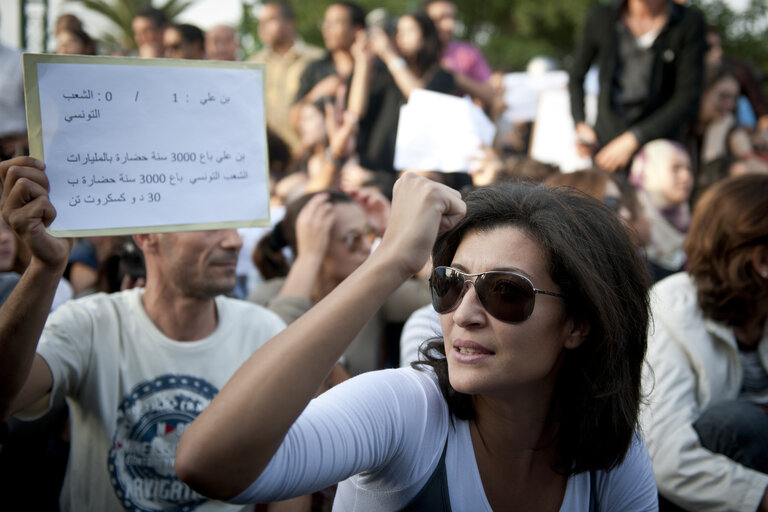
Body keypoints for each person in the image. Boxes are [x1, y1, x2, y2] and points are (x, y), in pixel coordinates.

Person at [176, 173, 657, 510]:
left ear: (579, 324)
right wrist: (391, 260)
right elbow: (208, 464)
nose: (463, 314)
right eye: (450, 283)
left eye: (505, 293)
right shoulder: (405, 410)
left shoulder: (611, 455)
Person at [0, 156, 286, 511]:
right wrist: (45, 269)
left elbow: (290, 474)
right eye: (210, 224)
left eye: (235, 224)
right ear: (147, 235)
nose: (234, 241)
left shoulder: (266, 333)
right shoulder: (90, 324)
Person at [640, 174, 768, 512]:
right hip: (696, 493)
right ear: (762, 261)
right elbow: (667, 457)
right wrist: (761, 495)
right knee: (737, 422)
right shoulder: (670, 307)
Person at [250, 188, 429, 375]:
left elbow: (437, 295)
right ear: (313, 243)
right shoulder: (267, 297)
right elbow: (275, 356)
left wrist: (392, 228)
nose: (368, 246)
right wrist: (309, 258)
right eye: (352, 239)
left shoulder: (370, 292)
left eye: (369, 234)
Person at [569, 0, 706, 173]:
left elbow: (688, 97)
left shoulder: (688, 22)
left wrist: (635, 138)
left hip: (660, 145)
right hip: (607, 145)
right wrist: (581, 126)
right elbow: (576, 76)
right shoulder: (601, 18)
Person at [249, 2, 324, 154]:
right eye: (260, 22)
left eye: (269, 20)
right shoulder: (252, 65)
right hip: (267, 158)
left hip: (310, 156)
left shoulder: (316, 59)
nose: (262, 27)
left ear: (290, 23)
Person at [629, 139, 693, 282]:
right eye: (676, 168)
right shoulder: (634, 224)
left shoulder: (691, 218)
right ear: (651, 171)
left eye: (689, 168)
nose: (686, 177)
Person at [422, 0, 496, 109]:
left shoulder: (467, 52)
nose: (450, 25)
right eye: (440, 18)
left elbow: (491, 96)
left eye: (453, 18)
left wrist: (455, 77)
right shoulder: (411, 50)